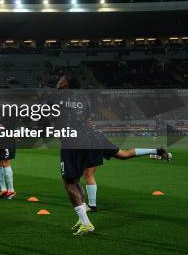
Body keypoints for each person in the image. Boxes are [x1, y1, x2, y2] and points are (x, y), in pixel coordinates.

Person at [57, 74, 171, 235]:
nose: (59, 80)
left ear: (67, 84)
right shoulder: (84, 99)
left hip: (74, 142)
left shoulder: (61, 99)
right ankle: (155, 150)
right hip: (94, 136)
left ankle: (86, 223)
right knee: (122, 154)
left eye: (62, 79)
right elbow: (85, 119)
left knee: (70, 182)